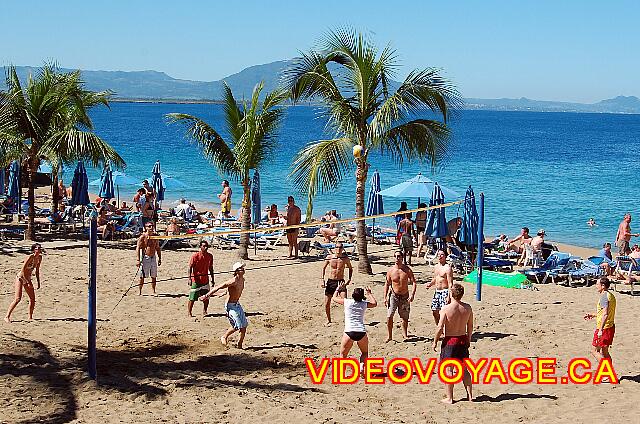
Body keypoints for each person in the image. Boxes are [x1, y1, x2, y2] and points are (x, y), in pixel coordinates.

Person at [432, 283, 474, 404]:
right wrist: (469, 339)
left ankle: (450, 397)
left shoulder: (446, 309)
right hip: (462, 339)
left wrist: (435, 341)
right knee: (464, 369)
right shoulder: (467, 308)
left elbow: (440, 327)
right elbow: (470, 326)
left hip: (450, 341)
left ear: (451, 294)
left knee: (448, 369)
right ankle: (470, 395)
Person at [199, 262, 248, 349]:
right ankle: (224, 337)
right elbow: (218, 286)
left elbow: (233, 290)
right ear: (236, 271)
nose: (243, 269)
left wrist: (224, 293)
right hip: (230, 306)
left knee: (244, 327)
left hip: (237, 304)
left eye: (243, 268)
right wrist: (206, 296)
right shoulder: (233, 281)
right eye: (241, 268)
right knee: (237, 326)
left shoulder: (242, 279)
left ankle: (240, 345)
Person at [331, 284, 377, 372]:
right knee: (364, 353)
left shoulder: (347, 302)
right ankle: (361, 367)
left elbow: (334, 298)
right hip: (361, 331)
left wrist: (337, 289)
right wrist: (369, 294)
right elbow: (374, 303)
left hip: (349, 331)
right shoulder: (364, 304)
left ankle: (342, 373)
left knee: (343, 355)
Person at [5, 243, 43, 323]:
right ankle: (7, 316)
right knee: (18, 299)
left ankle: (30, 317)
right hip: (21, 278)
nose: (40, 249)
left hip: (28, 279)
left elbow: (37, 271)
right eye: (38, 248)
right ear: (34, 250)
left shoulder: (39, 258)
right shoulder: (30, 257)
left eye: (40, 248)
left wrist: (38, 282)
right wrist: (27, 281)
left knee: (32, 299)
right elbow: (22, 271)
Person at [384, 251, 417, 342]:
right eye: (395, 256)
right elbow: (387, 284)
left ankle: (405, 334)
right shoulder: (390, 271)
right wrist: (385, 297)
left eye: (399, 256)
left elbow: (414, 282)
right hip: (393, 296)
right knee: (390, 315)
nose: (397, 258)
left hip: (404, 296)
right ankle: (389, 336)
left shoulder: (407, 270)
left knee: (404, 317)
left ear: (402, 258)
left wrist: (412, 295)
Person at [584, 277, 616, 367]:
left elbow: (605, 314)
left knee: (594, 351)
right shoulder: (610, 295)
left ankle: (607, 371)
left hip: (604, 328)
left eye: (597, 284)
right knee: (605, 352)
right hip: (610, 326)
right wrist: (594, 315)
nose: (596, 286)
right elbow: (605, 313)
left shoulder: (604, 297)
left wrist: (600, 330)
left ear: (603, 286)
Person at [321, 242, 353, 326]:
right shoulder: (329, 258)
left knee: (346, 302)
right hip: (331, 282)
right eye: (337, 247)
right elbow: (323, 268)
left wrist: (349, 279)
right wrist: (322, 280)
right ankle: (329, 320)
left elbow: (350, 268)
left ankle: (348, 321)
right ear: (334, 248)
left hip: (341, 282)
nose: (338, 249)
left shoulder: (345, 259)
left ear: (342, 249)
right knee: (327, 303)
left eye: (340, 247)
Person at [188, 240, 214, 317]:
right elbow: (190, 268)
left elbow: (211, 268)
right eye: (204, 246)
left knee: (206, 297)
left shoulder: (210, 256)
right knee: (192, 297)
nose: (205, 248)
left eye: (207, 246)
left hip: (205, 280)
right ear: (200, 247)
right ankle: (189, 312)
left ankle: (205, 310)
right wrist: (189, 278)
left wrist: (213, 279)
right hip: (196, 280)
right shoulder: (195, 256)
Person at [426, 250, 453, 325]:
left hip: (444, 291)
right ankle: (439, 327)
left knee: (444, 312)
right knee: (434, 311)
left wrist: (449, 296)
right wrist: (430, 284)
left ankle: (446, 329)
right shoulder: (436, 266)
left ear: (445, 256)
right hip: (437, 291)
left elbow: (450, 283)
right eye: (438, 255)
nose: (439, 256)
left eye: (442, 255)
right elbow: (436, 278)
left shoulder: (448, 268)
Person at [136, 222, 161, 295]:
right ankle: (140, 291)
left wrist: (160, 258)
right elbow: (138, 248)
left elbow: (158, 248)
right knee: (142, 276)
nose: (151, 227)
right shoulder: (143, 237)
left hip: (153, 257)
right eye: (149, 226)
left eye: (152, 226)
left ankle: (153, 291)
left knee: (154, 275)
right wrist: (138, 260)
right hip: (145, 257)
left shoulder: (156, 236)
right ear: (146, 227)